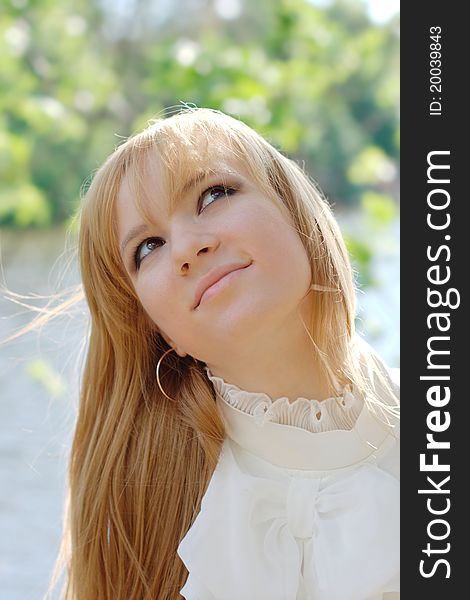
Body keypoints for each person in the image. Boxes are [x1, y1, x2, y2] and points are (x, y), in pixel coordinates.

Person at [57, 107, 400, 599]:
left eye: (213, 194)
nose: (186, 248)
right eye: (148, 247)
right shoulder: (159, 514)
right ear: (155, 329)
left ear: (293, 209)